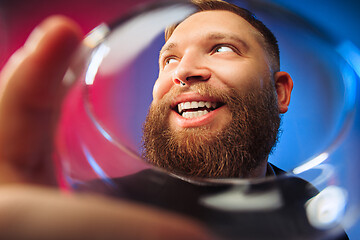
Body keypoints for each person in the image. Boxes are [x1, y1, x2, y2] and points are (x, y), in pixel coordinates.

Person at [0, 0, 349, 239]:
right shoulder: (102, 206)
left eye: (222, 49)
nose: (183, 71)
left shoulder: (311, 207)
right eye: (169, 59)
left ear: (279, 93)